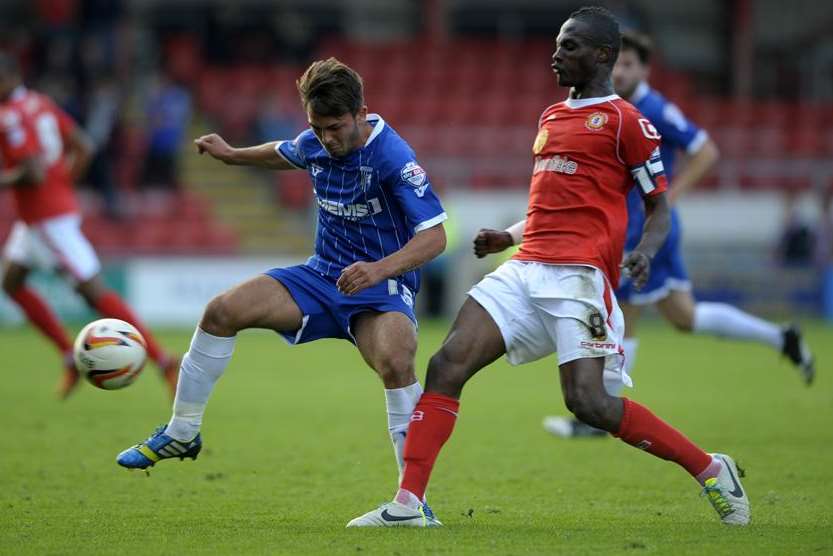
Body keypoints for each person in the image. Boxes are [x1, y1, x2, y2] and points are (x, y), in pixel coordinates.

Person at [348, 7, 749, 528]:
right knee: (447, 364)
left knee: (589, 403)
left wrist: (645, 253)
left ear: (603, 55)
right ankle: (409, 504)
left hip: (579, 278)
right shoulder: (552, 116)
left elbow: (659, 208)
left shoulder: (629, 122)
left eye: (571, 46)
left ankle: (710, 468)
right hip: (526, 266)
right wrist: (509, 237)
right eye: (558, 44)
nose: (556, 55)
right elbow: (551, 205)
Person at [115, 58, 448, 519]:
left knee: (396, 360)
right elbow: (286, 150)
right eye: (318, 127)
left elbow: (435, 236)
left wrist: (377, 270)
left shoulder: (394, 157)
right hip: (320, 276)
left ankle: (412, 503)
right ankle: (182, 430)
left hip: (379, 286)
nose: (327, 138)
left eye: (335, 127)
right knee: (220, 312)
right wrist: (232, 154)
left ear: (360, 112)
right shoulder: (316, 141)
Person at [543, 29, 815, 439]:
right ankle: (782, 337)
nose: (621, 71)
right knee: (684, 317)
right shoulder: (616, 107)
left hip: (647, 232)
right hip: (638, 228)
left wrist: (672, 196)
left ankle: (597, 419)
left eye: (630, 64)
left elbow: (705, 149)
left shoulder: (654, 107)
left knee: (624, 314)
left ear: (645, 69)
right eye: (617, 63)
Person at [0, 52, 180, 398]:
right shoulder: (39, 102)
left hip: (47, 222)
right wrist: (63, 186)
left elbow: (32, 171)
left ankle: (162, 360)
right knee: (11, 281)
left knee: (93, 292)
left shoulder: (10, 117)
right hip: (39, 218)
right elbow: (82, 146)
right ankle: (69, 356)